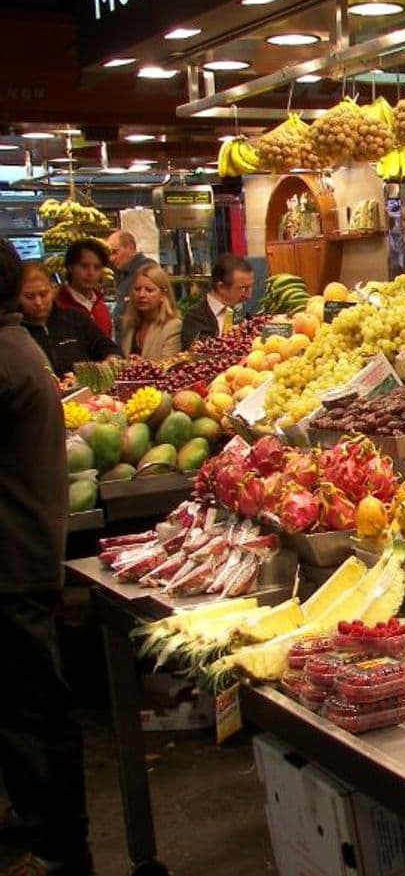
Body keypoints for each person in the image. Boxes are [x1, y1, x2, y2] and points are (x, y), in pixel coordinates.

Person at [0, 238, 93, 876]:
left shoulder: (5, 357)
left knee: (27, 713)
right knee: (29, 709)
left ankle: (57, 849)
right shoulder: (18, 348)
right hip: (22, 555)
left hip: (13, 563)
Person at [19, 263, 121, 377]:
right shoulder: (15, 332)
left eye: (43, 294)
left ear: (53, 290)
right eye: (29, 297)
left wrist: (111, 362)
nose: (38, 302)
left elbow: (108, 347)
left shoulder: (75, 318)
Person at [180, 253, 254, 348]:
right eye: (243, 288)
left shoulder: (244, 314)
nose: (249, 295)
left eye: (251, 287)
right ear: (221, 287)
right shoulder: (195, 319)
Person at [120, 263, 183, 361]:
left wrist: (141, 365)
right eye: (137, 289)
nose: (141, 295)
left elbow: (168, 368)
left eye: (149, 290)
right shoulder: (130, 325)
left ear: (163, 294)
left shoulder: (173, 327)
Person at [53, 239, 113, 339]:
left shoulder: (100, 306)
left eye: (97, 267)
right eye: (84, 266)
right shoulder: (57, 305)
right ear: (70, 267)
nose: (91, 273)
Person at [105, 230, 156, 338]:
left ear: (131, 247)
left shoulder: (147, 269)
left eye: (115, 252)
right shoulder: (120, 272)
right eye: (109, 254)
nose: (111, 258)